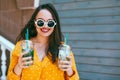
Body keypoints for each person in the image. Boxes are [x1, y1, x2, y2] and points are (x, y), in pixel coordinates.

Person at [7, 3, 80, 80]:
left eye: (50, 23)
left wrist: (69, 70)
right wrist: (19, 66)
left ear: (55, 24)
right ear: (35, 23)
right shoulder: (22, 47)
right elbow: (10, 78)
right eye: (40, 22)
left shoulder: (63, 50)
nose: (45, 26)